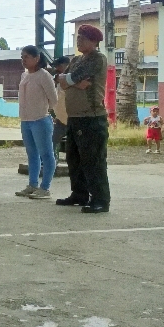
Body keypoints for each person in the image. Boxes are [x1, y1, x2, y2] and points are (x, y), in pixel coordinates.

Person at [53, 25, 110, 213]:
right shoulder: (77, 59)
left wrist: (70, 80)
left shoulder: (97, 58)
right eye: (78, 37)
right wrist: (74, 82)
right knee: (74, 158)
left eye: (83, 38)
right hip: (74, 117)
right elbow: (62, 80)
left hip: (91, 117)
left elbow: (74, 78)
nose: (79, 41)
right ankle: (79, 194)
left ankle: (100, 200)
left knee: (93, 161)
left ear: (94, 41)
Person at [14, 45, 59, 200]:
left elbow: (54, 99)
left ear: (37, 58)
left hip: (40, 119)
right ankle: (32, 184)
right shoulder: (24, 75)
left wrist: (42, 109)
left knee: (46, 154)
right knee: (32, 154)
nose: (23, 60)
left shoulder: (44, 75)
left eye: (26, 57)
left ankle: (45, 187)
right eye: (22, 57)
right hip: (26, 120)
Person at [50, 56, 71, 159]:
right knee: (52, 141)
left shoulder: (72, 79)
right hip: (60, 119)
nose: (56, 68)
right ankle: (52, 162)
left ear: (65, 65)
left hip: (73, 119)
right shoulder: (58, 80)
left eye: (58, 66)